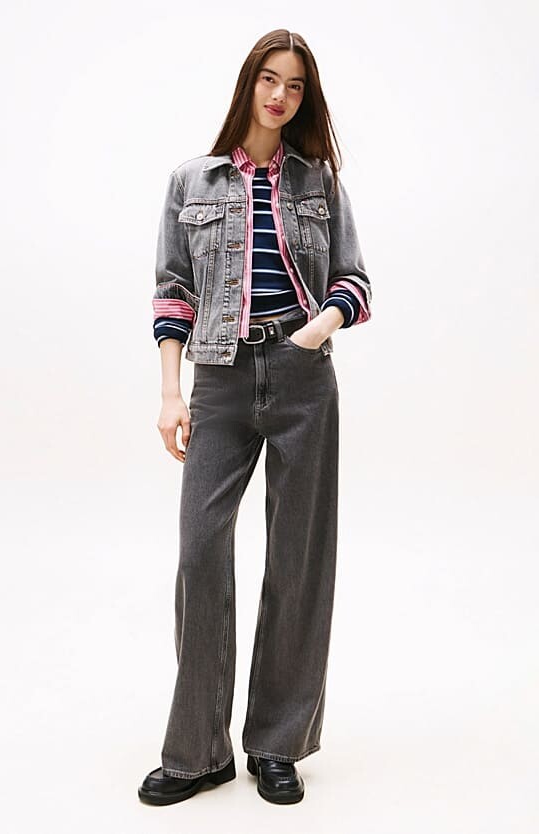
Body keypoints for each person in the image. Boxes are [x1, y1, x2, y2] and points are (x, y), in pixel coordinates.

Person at [138, 28, 372, 807]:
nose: (281, 96)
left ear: (306, 98)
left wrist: (312, 332)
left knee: (299, 563)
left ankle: (276, 744)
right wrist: (171, 393)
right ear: (249, 83)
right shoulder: (192, 181)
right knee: (202, 553)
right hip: (219, 378)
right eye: (271, 79)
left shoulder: (319, 182)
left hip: (303, 378)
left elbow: (354, 282)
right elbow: (173, 291)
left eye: (295, 86)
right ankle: (198, 751)